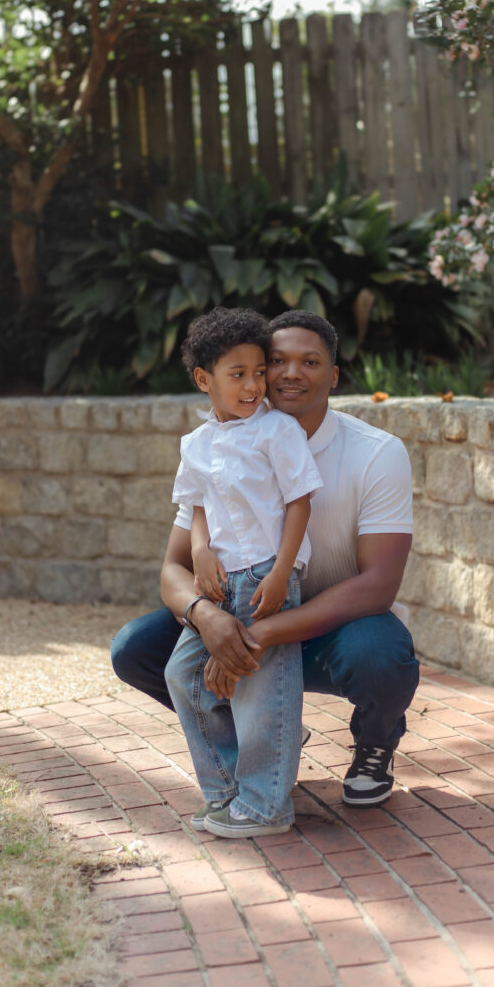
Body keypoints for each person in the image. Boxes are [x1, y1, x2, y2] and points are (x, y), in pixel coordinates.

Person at [112, 310, 419, 808]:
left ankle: (375, 743)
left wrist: (261, 635)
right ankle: (262, 730)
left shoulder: (376, 454)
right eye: (276, 361)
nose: (290, 373)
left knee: (381, 654)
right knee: (136, 648)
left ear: (334, 376)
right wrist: (204, 615)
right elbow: (172, 570)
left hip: (330, 629)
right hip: (238, 613)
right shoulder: (221, 445)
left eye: (310, 361)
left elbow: (379, 584)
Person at [163, 307, 323, 838]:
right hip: (219, 580)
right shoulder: (196, 443)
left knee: (262, 692)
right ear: (203, 380)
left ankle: (265, 807)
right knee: (183, 674)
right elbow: (199, 505)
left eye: (259, 371)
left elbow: (301, 503)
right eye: (239, 375)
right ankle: (226, 790)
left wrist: (282, 573)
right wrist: (202, 552)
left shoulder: (277, 430)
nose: (255, 385)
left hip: (263, 578)